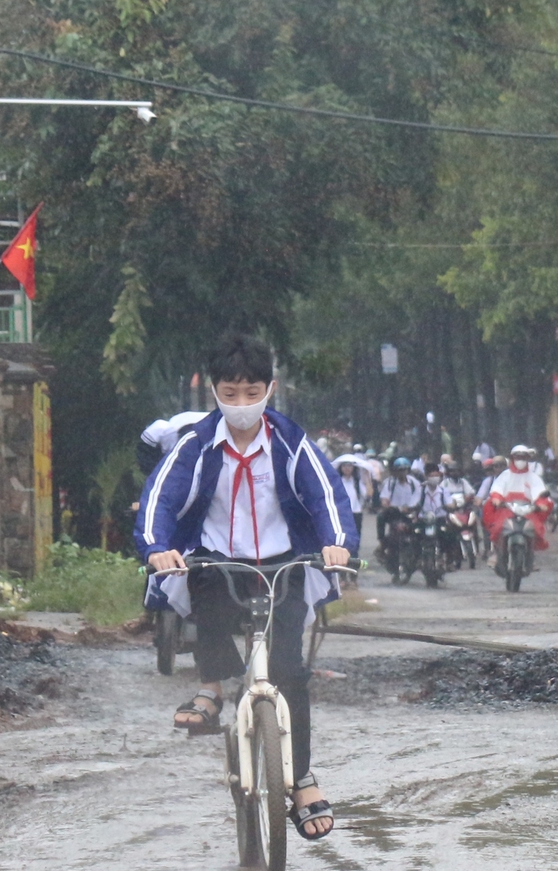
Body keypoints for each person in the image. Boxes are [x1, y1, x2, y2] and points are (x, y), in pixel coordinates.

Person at [136, 333, 355, 842]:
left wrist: (337, 543)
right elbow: (159, 499)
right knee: (203, 601)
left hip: (285, 561)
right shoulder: (194, 445)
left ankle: (300, 779)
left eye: (250, 392)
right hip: (217, 558)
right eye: (229, 393)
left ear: (270, 390)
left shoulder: (291, 441)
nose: (240, 404)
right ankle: (213, 687)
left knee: (290, 673)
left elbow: (327, 495)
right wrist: (154, 547)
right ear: (214, 392)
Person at [481, 444, 552, 556]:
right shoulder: (505, 475)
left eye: (523, 458)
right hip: (507, 510)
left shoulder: (533, 477)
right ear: (512, 459)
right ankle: (497, 552)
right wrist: (497, 499)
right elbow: (497, 489)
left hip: (527, 510)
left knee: (536, 529)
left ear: (527, 459)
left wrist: (541, 503)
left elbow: (539, 492)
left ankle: (530, 554)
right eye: (518, 458)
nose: (520, 460)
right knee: (498, 528)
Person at [376, 456, 423, 548]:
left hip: (411, 512)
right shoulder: (390, 483)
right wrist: (386, 504)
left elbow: (419, 496)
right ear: (395, 471)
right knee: (380, 517)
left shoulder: (414, 483)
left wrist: (412, 507)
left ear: (408, 470)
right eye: (400, 470)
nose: (402, 472)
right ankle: (382, 542)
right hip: (395, 512)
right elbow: (384, 498)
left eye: (404, 470)